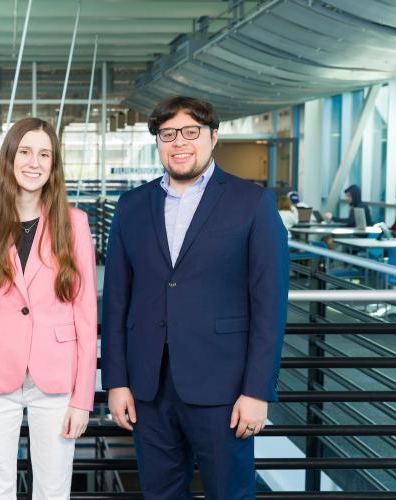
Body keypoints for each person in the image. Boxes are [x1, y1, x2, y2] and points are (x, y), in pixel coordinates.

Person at [101, 96, 289, 500]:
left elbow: (269, 307)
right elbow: (116, 301)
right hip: (148, 389)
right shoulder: (132, 206)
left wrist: (257, 391)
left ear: (213, 136)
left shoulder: (251, 203)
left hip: (224, 388)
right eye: (168, 134)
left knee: (230, 493)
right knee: (160, 493)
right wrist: (116, 381)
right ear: (158, 141)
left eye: (191, 132)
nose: (179, 142)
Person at [0, 117, 98, 500]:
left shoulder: (75, 223)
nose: (34, 162)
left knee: (53, 491)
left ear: (54, 165)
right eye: (26, 152)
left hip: (56, 379)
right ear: (9, 158)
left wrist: (83, 399)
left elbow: (85, 316)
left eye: (45, 154)